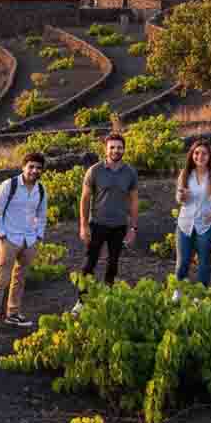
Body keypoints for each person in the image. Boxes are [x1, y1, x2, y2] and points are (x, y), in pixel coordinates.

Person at [0, 152, 48, 333]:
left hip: (29, 240)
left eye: (38, 168)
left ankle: (13, 313)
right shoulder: (9, 186)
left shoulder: (41, 190)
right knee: (1, 280)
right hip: (9, 239)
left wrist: (38, 237)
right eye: (31, 167)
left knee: (19, 279)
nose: (34, 170)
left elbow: (42, 216)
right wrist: (2, 236)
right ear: (23, 167)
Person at [74, 132, 139, 313]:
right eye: (112, 147)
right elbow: (85, 199)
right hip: (97, 224)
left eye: (119, 147)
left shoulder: (130, 172)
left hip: (119, 226)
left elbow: (134, 201)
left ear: (124, 149)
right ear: (106, 149)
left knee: (113, 264)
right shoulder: (95, 171)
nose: (116, 150)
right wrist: (83, 225)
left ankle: (108, 298)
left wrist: (133, 227)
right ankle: (81, 300)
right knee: (89, 263)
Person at [173, 139, 211, 301]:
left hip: (206, 226)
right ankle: (178, 291)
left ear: (209, 156)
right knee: (183, 261)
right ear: (192, 155)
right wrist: (181, 196)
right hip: (185, 225)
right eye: (196, 153)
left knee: (204, 263)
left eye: (204, 153)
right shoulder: (185, 174)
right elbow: (178, 199)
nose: (200, 156)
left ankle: (200, 295)